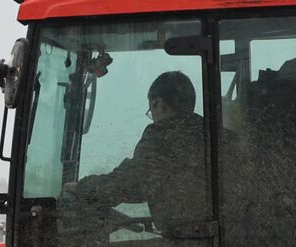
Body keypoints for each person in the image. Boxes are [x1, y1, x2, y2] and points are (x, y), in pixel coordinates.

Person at [70, 70, 207, 235]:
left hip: (192, 244)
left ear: (158, 103)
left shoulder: (163, 136)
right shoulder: (215, 135)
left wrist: (81, 189)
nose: (153, 116)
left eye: (151, 109)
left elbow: (133, 182)